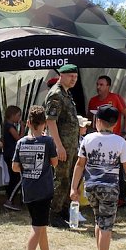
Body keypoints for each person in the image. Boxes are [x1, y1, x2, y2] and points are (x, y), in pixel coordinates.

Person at [70, 104, 126, 250]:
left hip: (91, 187)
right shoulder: (120, 141)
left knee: (99, 221)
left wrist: (74, 187)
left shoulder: (87, 139)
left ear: (98, 121)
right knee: (107, 226)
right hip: (110, 188)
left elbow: (80, 164)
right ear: (115, 123)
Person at [13, 105, 62, 250]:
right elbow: (55, 162)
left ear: (27, 123)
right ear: (44, 124)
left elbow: (15, 166)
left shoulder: (21, 142)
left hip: (28, 190)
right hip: (44, 190)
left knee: (40, 225)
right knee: (37, 227)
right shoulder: (48, 141)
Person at [45, 64, 80, 228]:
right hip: (62, 147)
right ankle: (54, 213)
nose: (74, 79)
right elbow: (50, 121)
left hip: (70, 145)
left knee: (70, 178)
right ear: (62, 75)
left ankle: (65, 209)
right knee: (61, 180)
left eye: (75, 76)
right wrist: (58, 147)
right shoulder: (57, 94)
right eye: (70, 76)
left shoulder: (66, 93)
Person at [2, 105, 24, 212]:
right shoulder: (10, 126)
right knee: (18, 178)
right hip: (11, 155)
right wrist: (23, 127)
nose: (19, 118)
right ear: (12, 115)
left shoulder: (7, 125)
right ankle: (9, 200)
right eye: (18, 115)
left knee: (13, 178)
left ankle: (10, 198)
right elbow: (19, 139)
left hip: (8, 154)